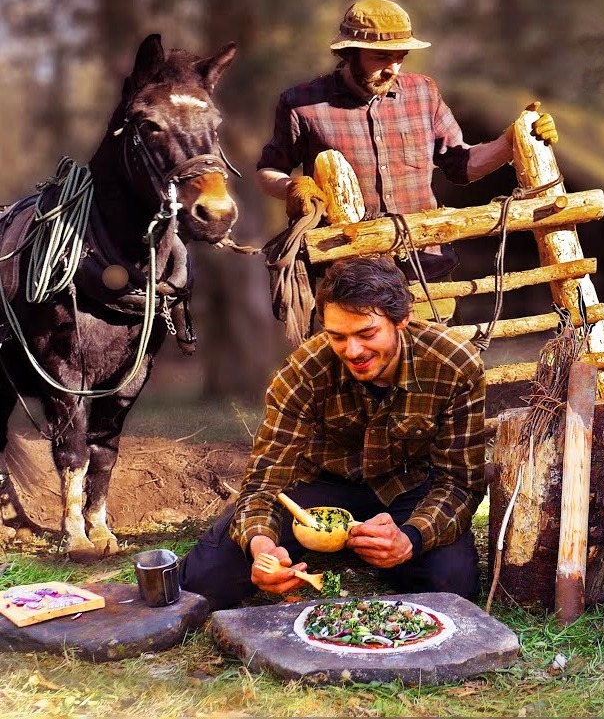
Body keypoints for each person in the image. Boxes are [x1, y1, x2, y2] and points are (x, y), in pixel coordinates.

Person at [179, 256, 487, 610]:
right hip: (321, 489)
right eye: (337, 336)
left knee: (452, 587)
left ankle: (375, 551)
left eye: (367, 333)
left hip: (408, 489)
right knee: (203, 581)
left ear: (402, 319)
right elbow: (264, 484)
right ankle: (341, 547)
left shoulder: (453, 364)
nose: (352, 351)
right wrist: (262, 548)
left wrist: (411, 538)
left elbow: (459, 481)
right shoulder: (305, 371)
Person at [255, 0, 558, 278]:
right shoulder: (301, 103)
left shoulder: (423, 92)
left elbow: (462, 165)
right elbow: (268, 171)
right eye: (381, 57)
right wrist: (294, 188)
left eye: (401, 57)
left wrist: (514, 139)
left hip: (428, 267)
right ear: (350, 53)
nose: (393, 68)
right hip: (346, 273)